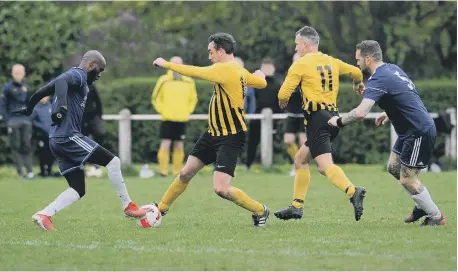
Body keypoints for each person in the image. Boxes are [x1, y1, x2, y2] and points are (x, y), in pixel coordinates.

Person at [13, 50, 146, 231]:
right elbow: (60, 83)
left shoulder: (73, 76)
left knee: (77, 189)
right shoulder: (79, 75)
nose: (99, 75)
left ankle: (45, 214)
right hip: (68, 136)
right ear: (91, 64)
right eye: (100, 69)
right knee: (113, 161)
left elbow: (43, 91)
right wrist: (61, 105)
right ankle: (128, 206)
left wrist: (29, 108)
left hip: (56, 139)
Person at [152, 32, 270, 227]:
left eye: (211, 52)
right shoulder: (237, 70)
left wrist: (166, 64)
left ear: (221, 51)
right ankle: (160, 210)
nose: (209, 57)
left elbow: (195, 72)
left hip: (231, 136)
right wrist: (261, 76)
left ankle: (260, 210)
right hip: (213, 132)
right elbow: (260, 82)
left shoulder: (225, 70)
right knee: (184, 174)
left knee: (221, 189)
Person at [328, 40, 446, 226]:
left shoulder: (379, 78)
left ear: (368, 59)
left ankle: (436, 216)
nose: (357, 63)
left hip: (418, 131)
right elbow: (405, 96)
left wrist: (339, 121)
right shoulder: (392, 69)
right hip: (410, 131)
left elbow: (360, 113)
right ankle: (422, 205)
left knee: (407, 179)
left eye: (358, 60)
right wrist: (387, 112)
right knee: (393, 167)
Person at [274, 26, 366, 222]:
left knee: (324, 166)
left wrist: (283, 101)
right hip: (333, 117)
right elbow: (356, 71)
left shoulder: (300, 64)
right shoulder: (331, 61)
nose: (296, 48)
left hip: (317, 119)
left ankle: (353, 191)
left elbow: (283, 93)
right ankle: (297, 207)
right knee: (300, 159)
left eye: (297, 44)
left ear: (305, 44)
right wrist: (358, 83)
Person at [152, 56, 198, 177]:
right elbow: (155, 98)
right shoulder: (163, 80)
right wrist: (162, 111)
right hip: (167, 118)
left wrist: (187, 111)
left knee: (179, 145)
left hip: (182, 118)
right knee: (165, 143)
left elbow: (193, 99)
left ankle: (177, 172)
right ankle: (163, 171)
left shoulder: (189, 81)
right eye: (174, 64)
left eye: (179, 64)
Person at [245, 58, 282, 170]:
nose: (267, 70)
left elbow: (280, 101)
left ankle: (268, 165)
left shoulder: (277, 84)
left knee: (271, 142)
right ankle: (248, 165)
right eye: (265, 68)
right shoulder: (256, 83)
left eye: (269, 68)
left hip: (273, 118)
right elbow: (249, 99)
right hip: (256, 117)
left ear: (273, 69)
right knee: (253, 141)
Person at [1, 64, 34, 178]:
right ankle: (21, 172)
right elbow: (3, 105)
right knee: (16, 145)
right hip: (13, 120)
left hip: (25, 120)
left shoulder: (26, 87)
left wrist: (30, 118)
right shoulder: (7, 88)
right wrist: (7, 121)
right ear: (12, 74)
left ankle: (30, 171)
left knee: (27, 145)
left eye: (20, 73)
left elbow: (30, 104)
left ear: (24, 74)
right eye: (16, 73)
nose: (18, 75)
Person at [283, 53, 307, 177]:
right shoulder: (289, 76)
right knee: (288, 141)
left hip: (304, 113)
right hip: (292, 113)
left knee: (303, 141)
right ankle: (295, 163)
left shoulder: (308, 76)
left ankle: (301, 166)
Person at [82, 83, 106, 178]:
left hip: (92, 116)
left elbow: (98, 101)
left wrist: (99, 116)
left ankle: (96, 163)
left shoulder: (91, 86)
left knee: (101, 134)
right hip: (80, 118)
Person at [30, 96, 56, 177]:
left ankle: (49, 170)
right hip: (41, 136)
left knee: (51, 154)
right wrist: (41, 127)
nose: (43, 99)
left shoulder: (52, 106)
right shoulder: (36, 108)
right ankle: (42, 171)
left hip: (51, 135)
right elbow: (33, 121)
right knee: (42, 154)